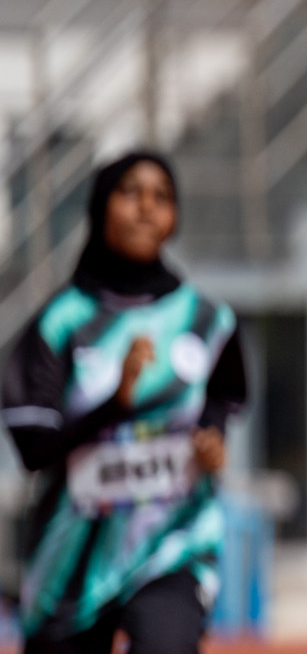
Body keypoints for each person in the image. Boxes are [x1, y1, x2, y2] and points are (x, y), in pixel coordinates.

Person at [2, 153, 247, 654]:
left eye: (161, 198)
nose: (146, 208)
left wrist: (211, 437)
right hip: (73, 557)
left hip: (172, 542)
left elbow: (222, 397)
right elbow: (33, 449)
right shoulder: (61, 322)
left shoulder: (207, 320)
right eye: (130, 192)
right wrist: (115, 404)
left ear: (175, 218)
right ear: (100, 206)